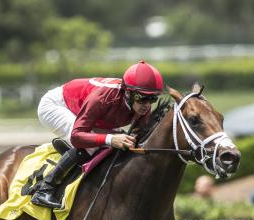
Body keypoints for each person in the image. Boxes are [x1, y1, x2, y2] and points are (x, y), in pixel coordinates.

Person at [31, 60, 164, 209]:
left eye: (152, 98)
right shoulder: (102, 98)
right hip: (55, 105)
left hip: (84, 112)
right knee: (93, 145)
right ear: (128, 92)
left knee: (121, 139)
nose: (147, 105)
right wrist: (110, 139)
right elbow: (77, 136)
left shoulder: (142, 105)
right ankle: (45, 189)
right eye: (142, 98)